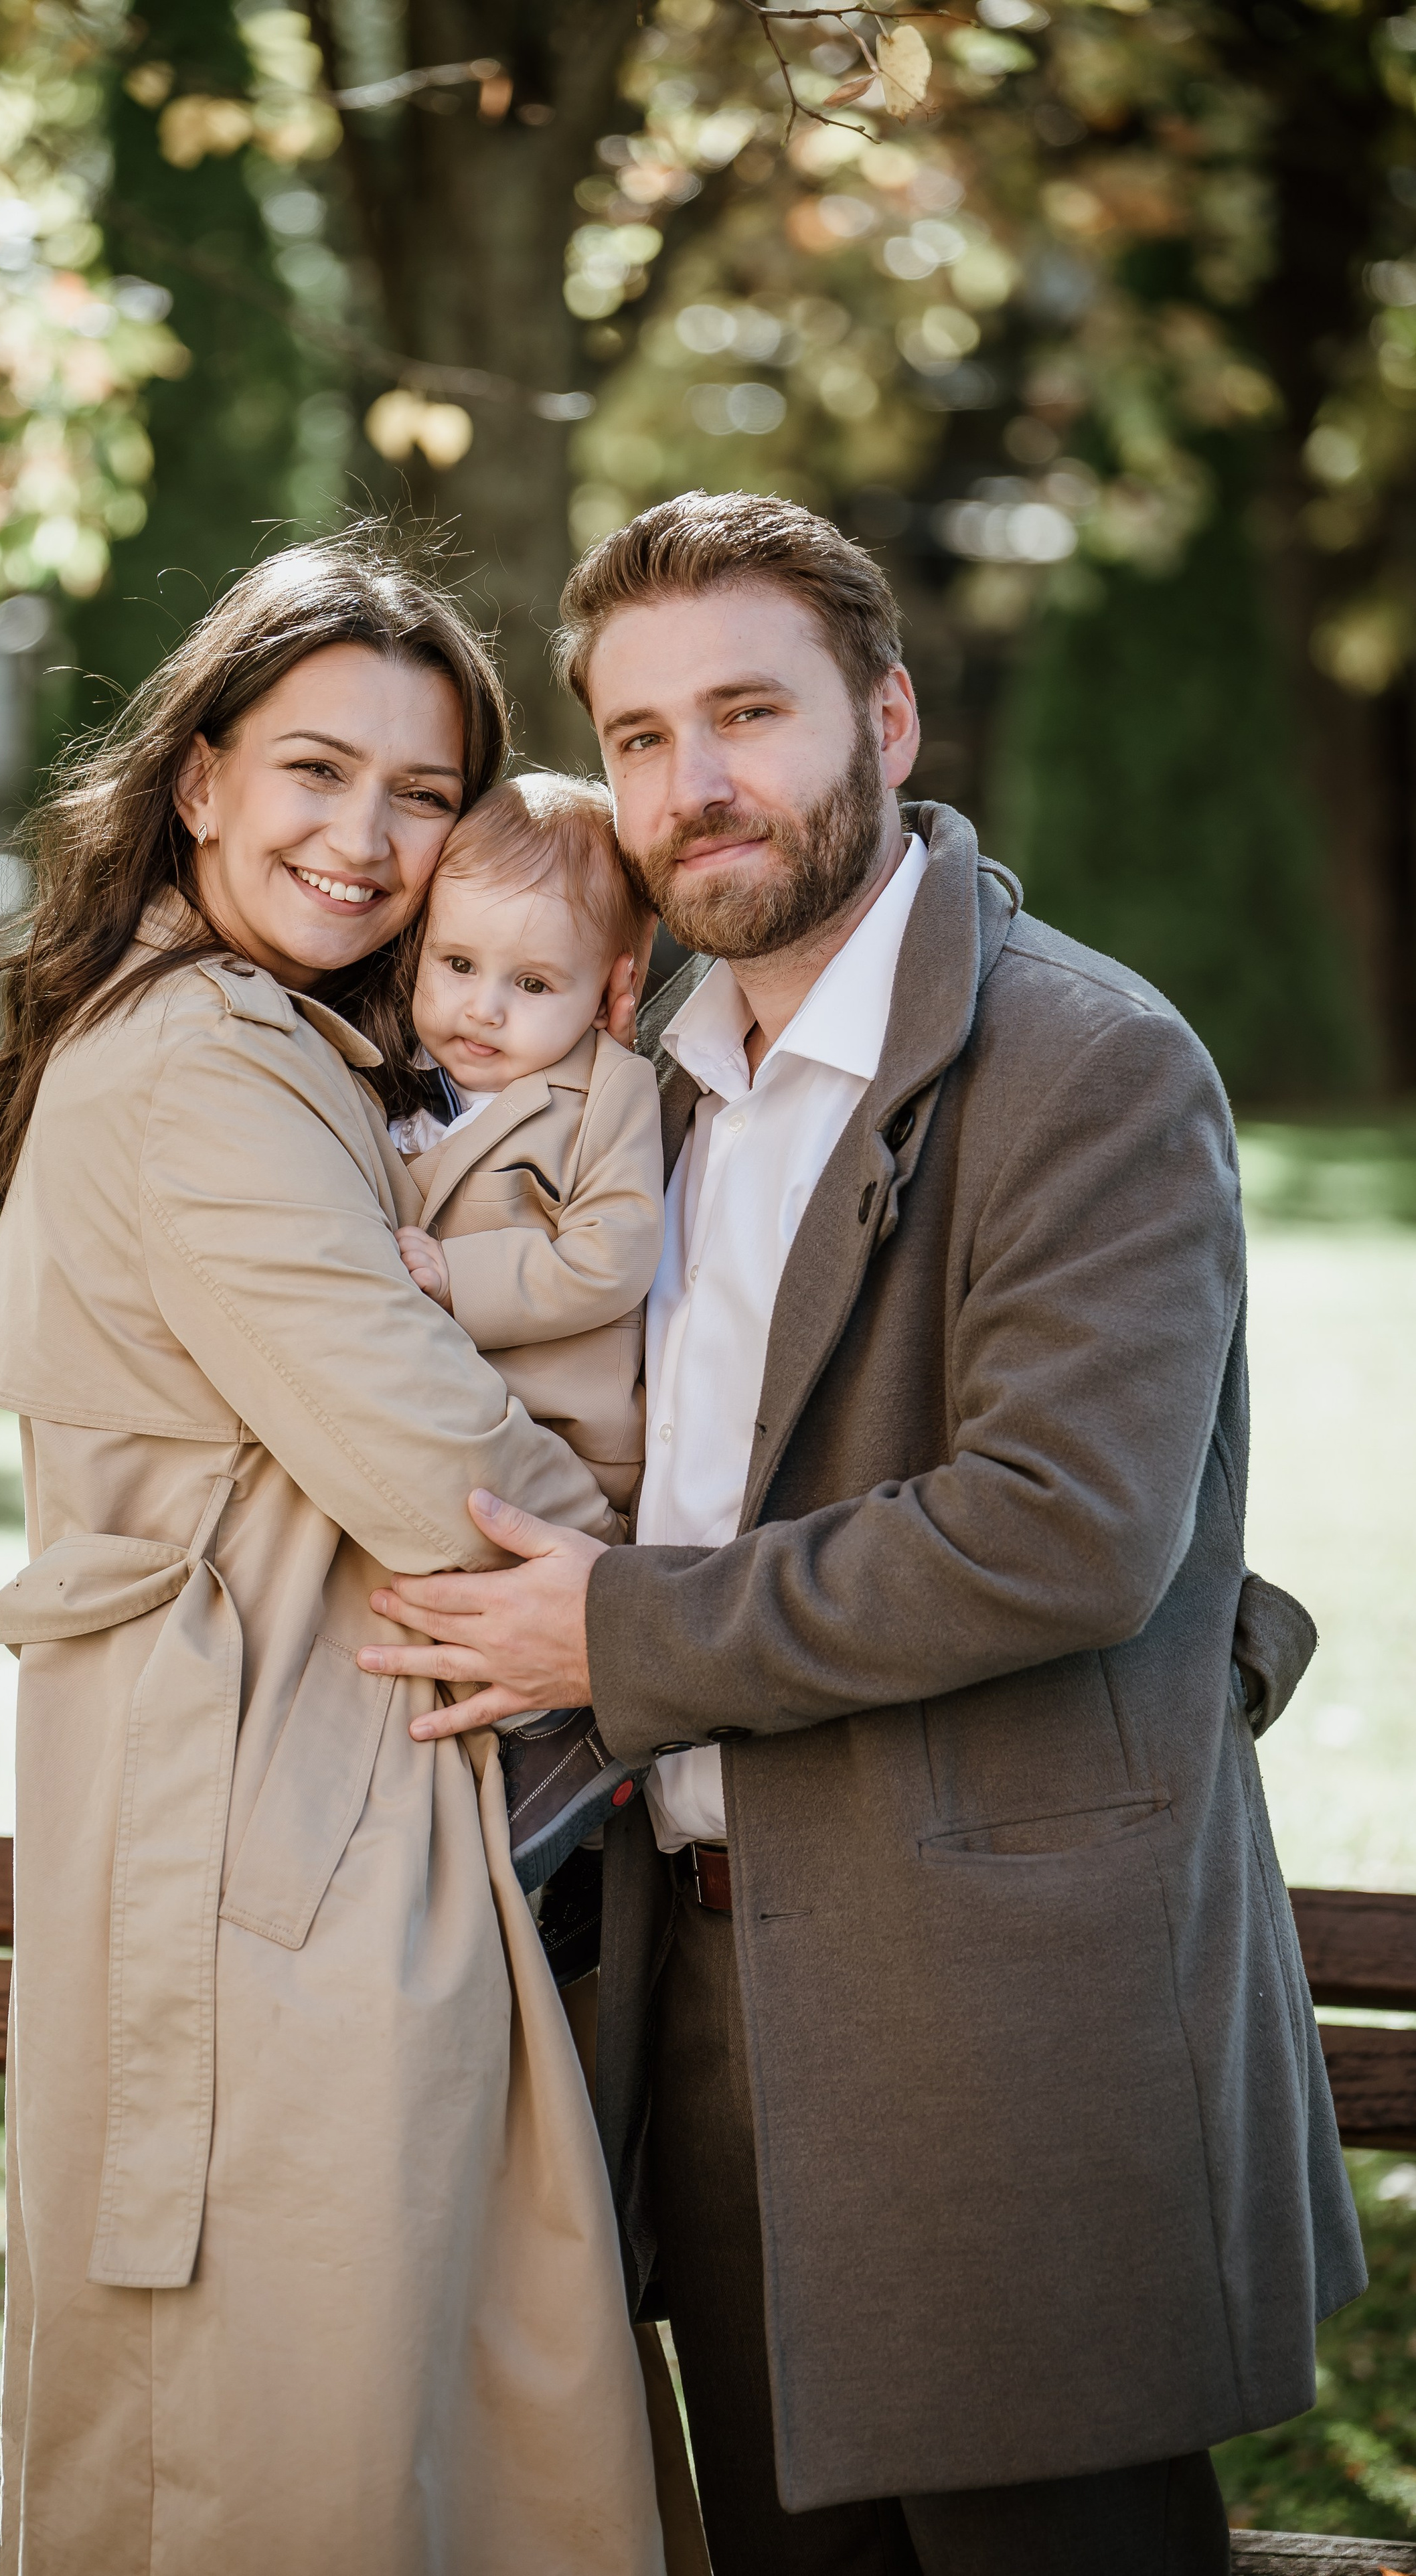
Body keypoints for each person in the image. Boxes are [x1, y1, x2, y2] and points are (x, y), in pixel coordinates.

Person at [356, 489, 1366, 2576]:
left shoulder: (1085, 1061)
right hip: (715, 1994)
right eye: (637, 738)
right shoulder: (654, 1079)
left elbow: (1064, 1530)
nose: (692, 784)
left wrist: (609, 1643)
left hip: (989, 2015)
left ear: (888, 721)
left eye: (749, 713)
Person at [0, 535, 664, 2576]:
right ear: (197, 778)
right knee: (281, 2444)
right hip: (261, 1831)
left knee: (388, 2431)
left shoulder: (315, 1051)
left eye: (424, 793)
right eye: (313, 771)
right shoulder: (202, 1071)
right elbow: (454, 1472)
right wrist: (694, 1602)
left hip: (327, 1797)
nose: (367, 839)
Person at [386, 771, 664, 1888]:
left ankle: (570, 1748)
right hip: (455, 1417)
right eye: (456, 966)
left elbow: (613, 1254)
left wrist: (458, 1276)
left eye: (533, 982)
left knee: (502, 1583)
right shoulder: (410, 1086)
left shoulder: (608, 1096)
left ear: (612, 990)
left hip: (565, 1437)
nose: (481, 1009)